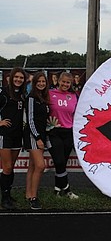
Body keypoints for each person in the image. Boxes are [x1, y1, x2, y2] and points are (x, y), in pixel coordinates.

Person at [46, 72, 79, 199]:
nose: (65, 84)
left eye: (68, 82)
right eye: (63, 81)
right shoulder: (49, 94)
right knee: (59, 161)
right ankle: (67, 189)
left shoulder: (74, 96)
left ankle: (57, 189)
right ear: (58, 81)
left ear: (71, 84)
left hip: (68, 132)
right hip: (53, 132)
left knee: (62, 163)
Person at [0, 67, 27, 210]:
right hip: (4, 135)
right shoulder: (3, 93)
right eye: (16, 77)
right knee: (7, 167)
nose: (18, 80)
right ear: (10, 78)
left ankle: (8, 194)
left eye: (21, 78)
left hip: (17, 135)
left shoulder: (22, 94)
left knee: (11, 167)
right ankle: (4, 198)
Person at [23, 72, 50, 210]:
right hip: (33, 136)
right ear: (34, 83)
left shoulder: (43, 98)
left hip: (41, 135)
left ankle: (28, 194)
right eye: (38, 81)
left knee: (33, 167)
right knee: (40, 166)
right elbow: (30, 120)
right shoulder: (32, 98)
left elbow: (43, 120)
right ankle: (34, 198)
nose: (41, 83)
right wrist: (38, 137)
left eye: (43, 82)